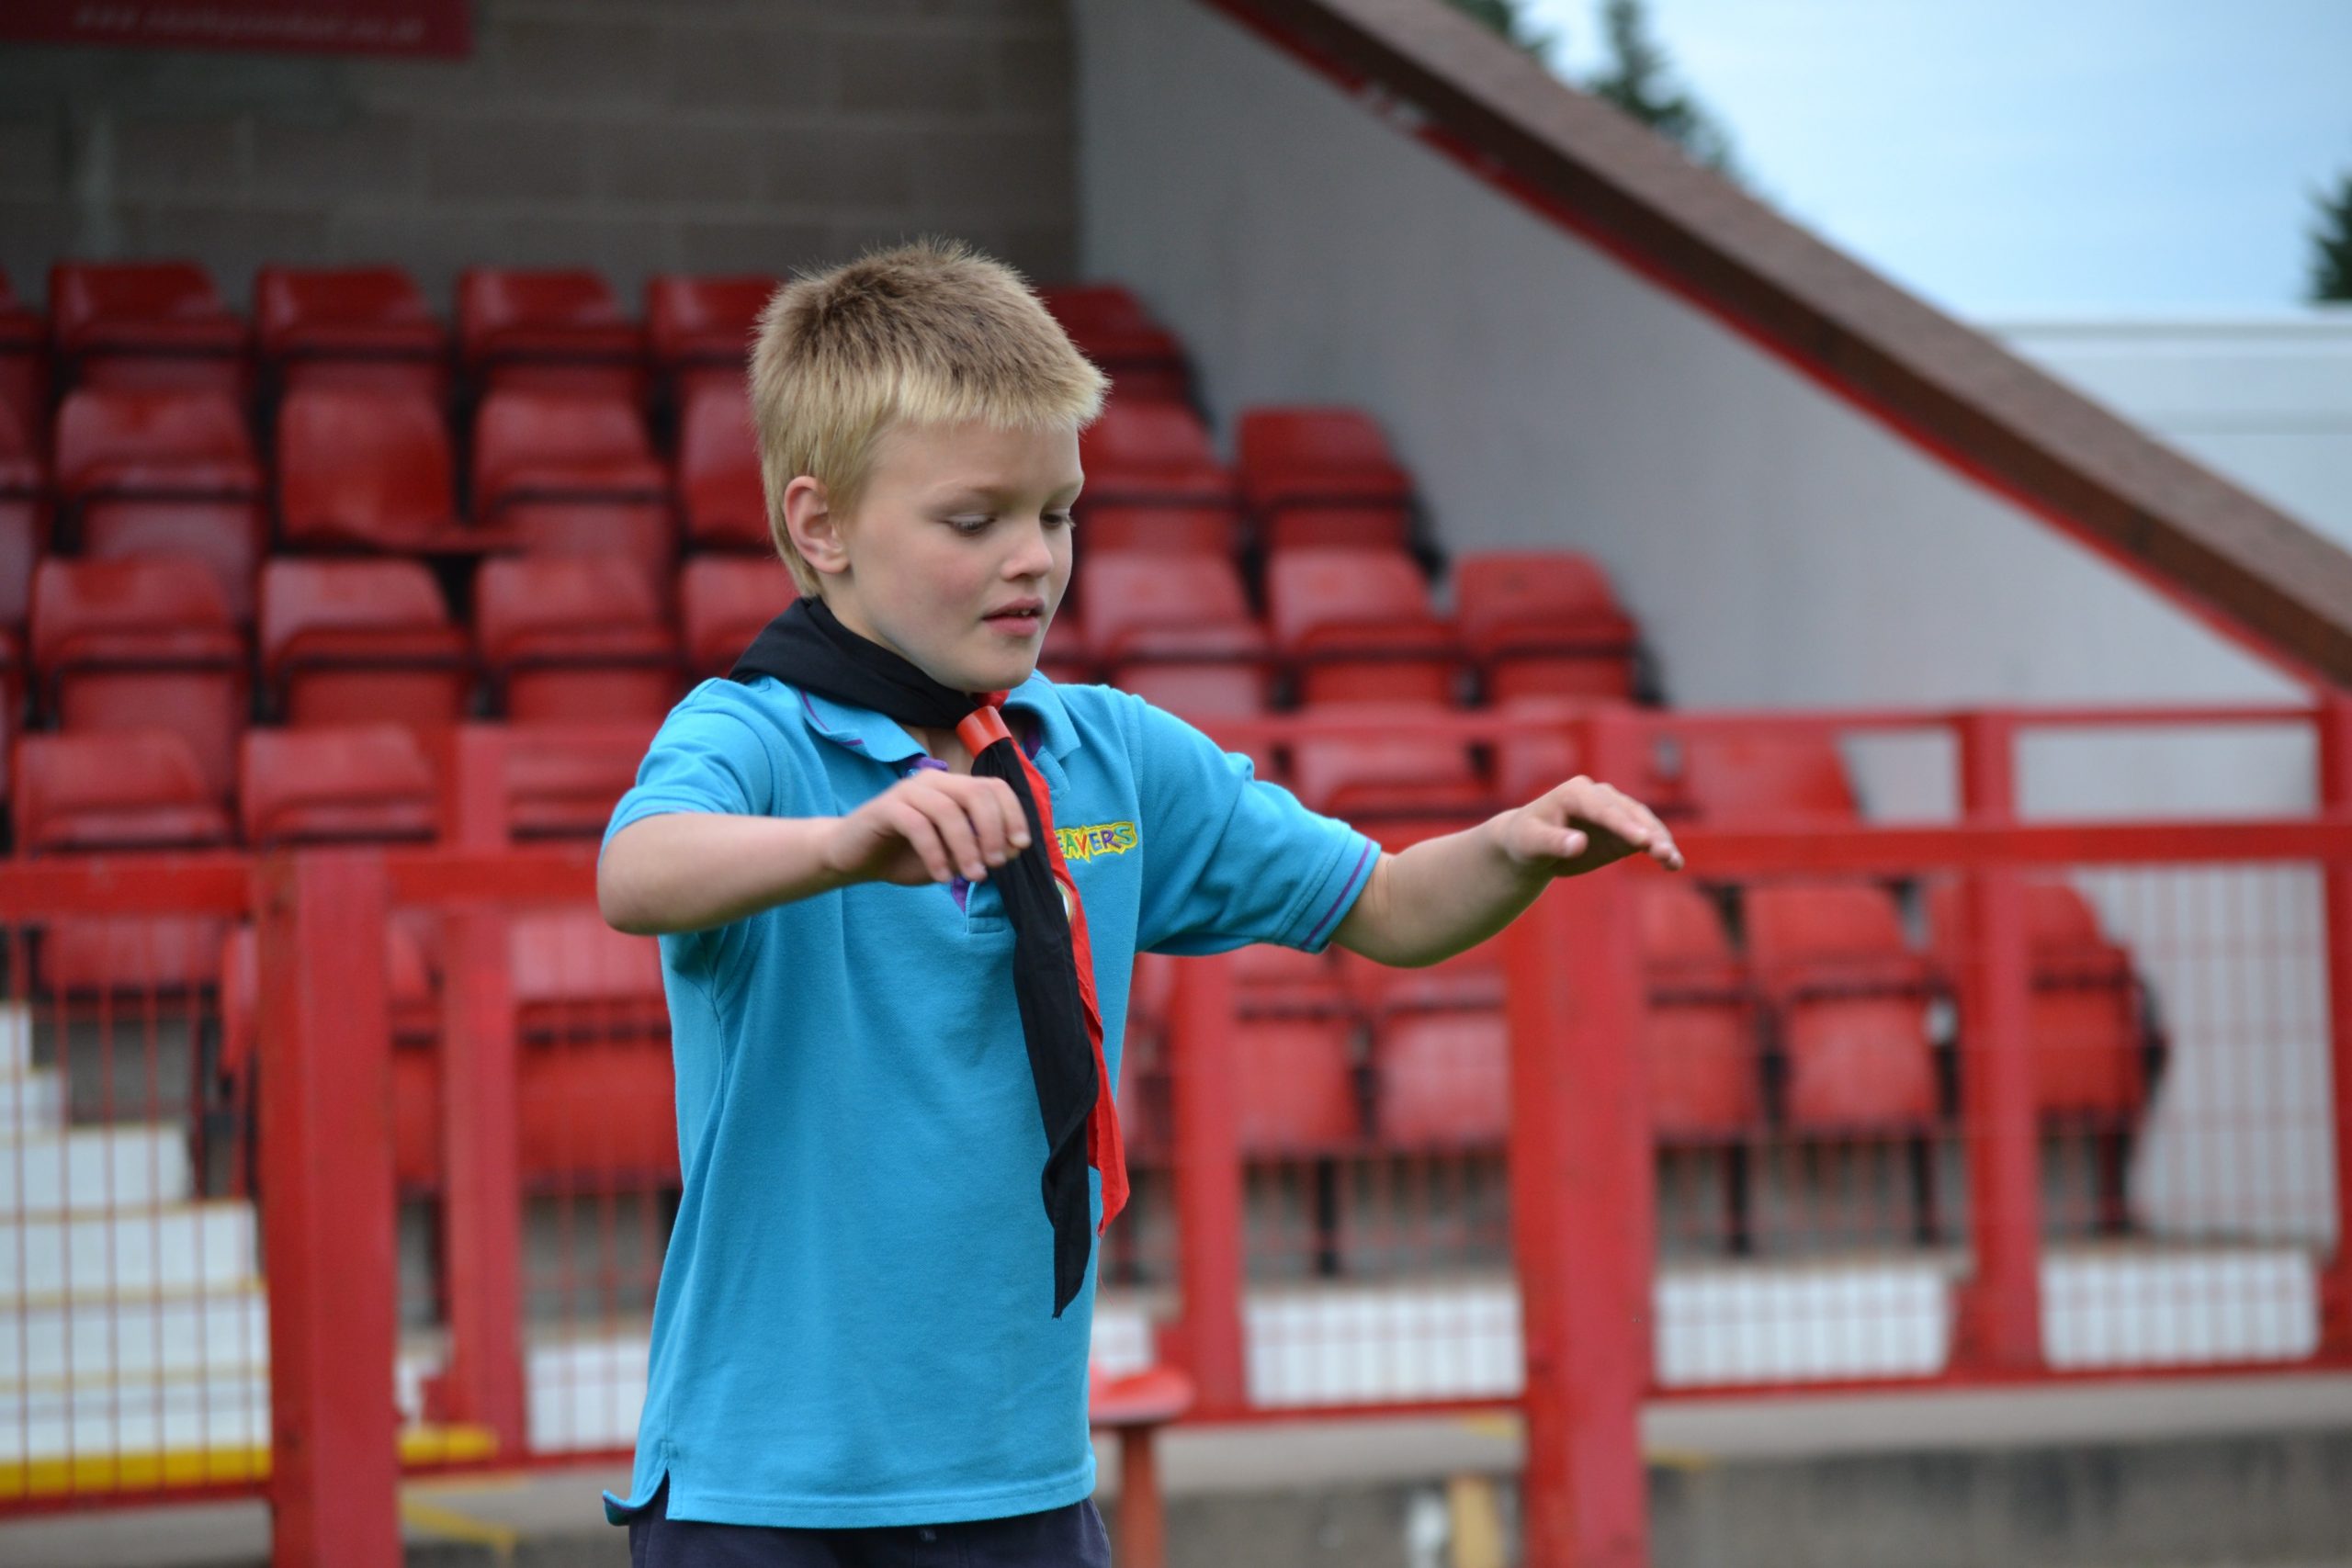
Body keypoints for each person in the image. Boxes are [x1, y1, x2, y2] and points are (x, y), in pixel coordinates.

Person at [594, 234, 1683, 1565]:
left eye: (1056, 513)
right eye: (973, 520)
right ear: (819, 527)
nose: (1033, 560)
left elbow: (1389, 906)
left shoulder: (1107, 751)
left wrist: (1513, 847)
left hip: (1020, 1486)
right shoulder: (753, 739)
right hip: (762, 1496)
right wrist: (840, 845)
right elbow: (635, 873)